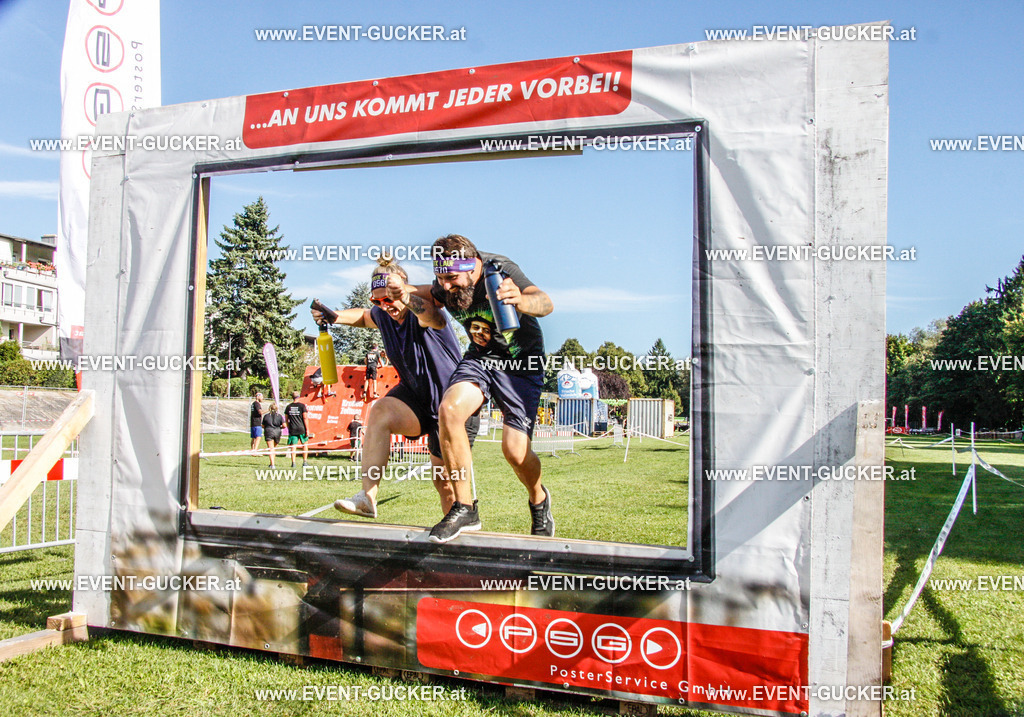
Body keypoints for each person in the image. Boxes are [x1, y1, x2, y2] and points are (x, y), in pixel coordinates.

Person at [312, 257, 479, 520]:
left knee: (444, 482)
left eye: (389, 299)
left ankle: (464, 526)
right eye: (377, 300)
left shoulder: (419, 310)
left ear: (402, 290)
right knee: (380, 412)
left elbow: (434, 318)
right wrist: (334, 317)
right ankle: (367, 497)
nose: (384, 306)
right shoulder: (382, 313)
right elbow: (365, 316)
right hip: (416, 399)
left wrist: (406, 297)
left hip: (452, 403)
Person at [422, 233, 555, 543]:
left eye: (452, 278)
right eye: (440, 278)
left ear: (473, 266)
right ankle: (465, 507)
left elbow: (545, 302)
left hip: (520, 363)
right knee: (450, 409)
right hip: (481, 358)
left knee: (515, 452)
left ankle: (538, 499)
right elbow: (428, 294)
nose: (446, 286)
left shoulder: (501, 270)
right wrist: (397, 291)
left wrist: (520, 300)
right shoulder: (447, 281)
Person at [283, 391, 310, 468]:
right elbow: (305, 418)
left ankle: (293, 462)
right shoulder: (302, 406)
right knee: (305, 444)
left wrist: (289, 427)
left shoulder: (288, 407)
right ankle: (305, 462)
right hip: (302, 428)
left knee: (293, 446)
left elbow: (286, 419)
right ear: (299, 397)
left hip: (293, 429)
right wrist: (307, 429)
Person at [261, 403, 284, 468]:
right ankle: (272, 463)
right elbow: (284, 425)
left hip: (269, 432)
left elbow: (262, 425)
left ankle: (272, 464)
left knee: (271, 449)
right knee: (273, 448)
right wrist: (280, 428)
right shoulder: (279, 416)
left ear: (270, 409)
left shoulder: (266, 416)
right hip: (277, 432)